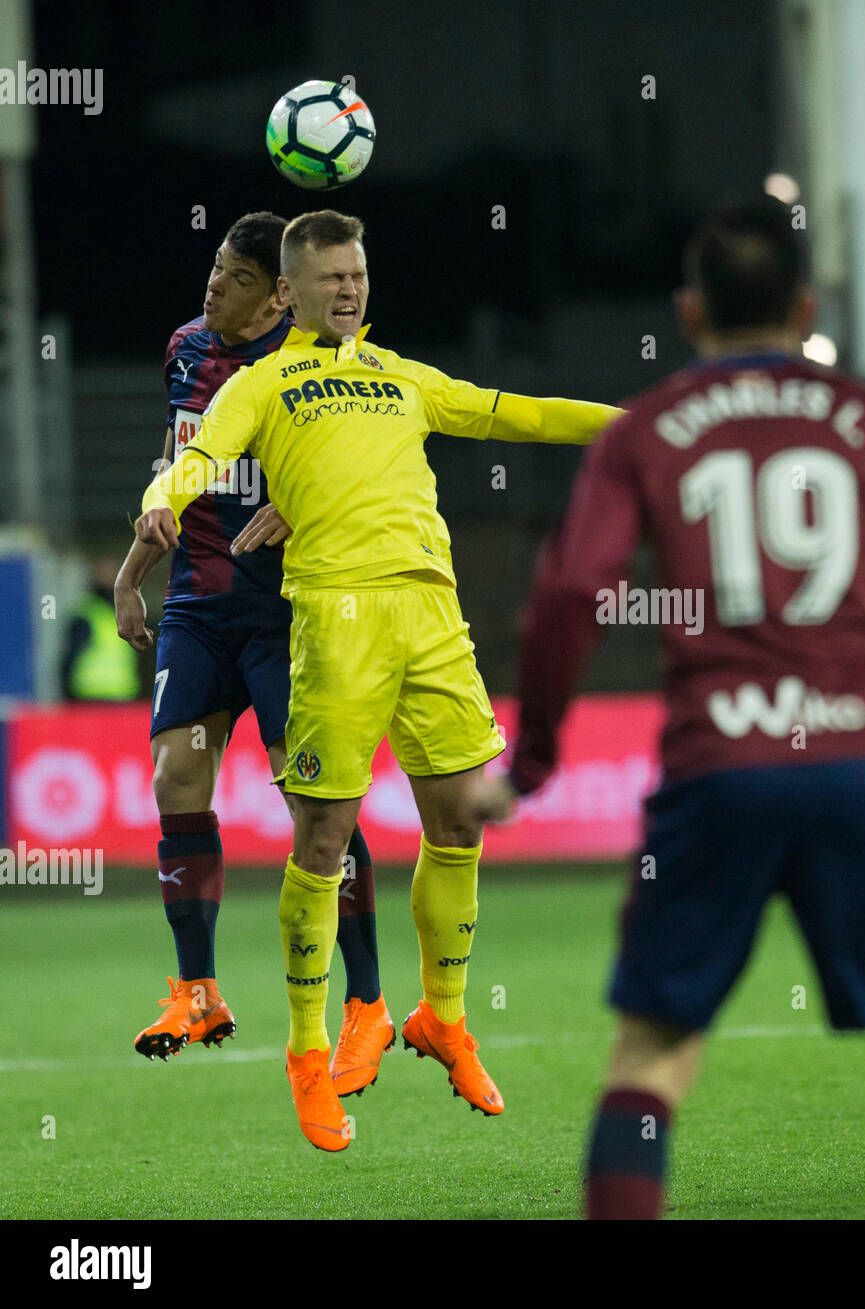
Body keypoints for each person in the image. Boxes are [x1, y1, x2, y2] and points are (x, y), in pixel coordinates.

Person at [469, 196, 865, 1219]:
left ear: (689, 312)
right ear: (805, 304)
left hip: (719, 770)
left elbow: (567, 594)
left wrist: (532, 762)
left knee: (651, 1056)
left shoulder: (646, 431)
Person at [134, 209, 621, 1151]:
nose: (350, 290)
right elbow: (195, 455)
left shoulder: (404, 375)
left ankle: (442, 1017)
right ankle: (310, 1058)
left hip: (432, 620)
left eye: (358, 275)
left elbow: (507, 411)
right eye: (332, 279)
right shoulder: (266, 384)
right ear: (294, 292)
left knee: (460, 819)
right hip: (333, 623)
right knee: (321, 835)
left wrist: (637, 428)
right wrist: (163, 499)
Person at [116, 212, 392, 1095]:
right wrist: (132, 575)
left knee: (319, 805)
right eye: (212, 271)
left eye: (233, 277)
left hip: (286, 614)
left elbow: (377, 479)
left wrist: (311, 506)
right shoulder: (188, 349)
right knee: (174, 780)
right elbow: (175, 458)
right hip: (198, 605)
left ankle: (366, 1004)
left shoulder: (318, 366)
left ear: (278, 291)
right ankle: (196, 990)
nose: (212, 288)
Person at [63, 557, 142, 702]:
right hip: (90, 698)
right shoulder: (87, 614)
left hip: (122, 697)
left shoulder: (123, 614)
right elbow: (69, 659)